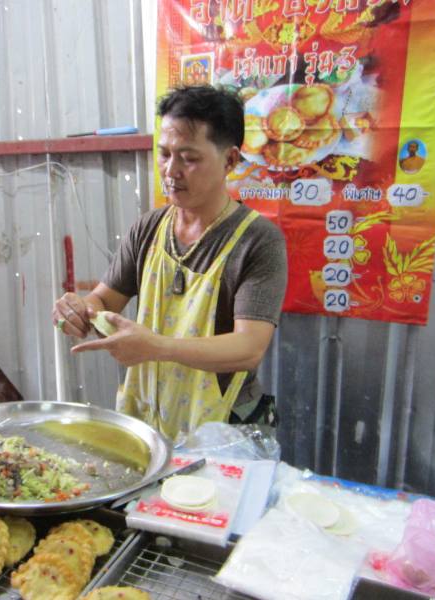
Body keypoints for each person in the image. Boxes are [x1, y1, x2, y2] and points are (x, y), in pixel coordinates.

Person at [51, 85, 288, 441]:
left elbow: (248, 348)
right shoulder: (149, 228)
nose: (171, 170)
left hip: (225, 428)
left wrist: (155, 347)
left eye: (189, 158)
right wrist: (79, 310)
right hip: (149, 416)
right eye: (164, 154)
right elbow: (103, 301)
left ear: (230, 160)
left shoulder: (258, 240)